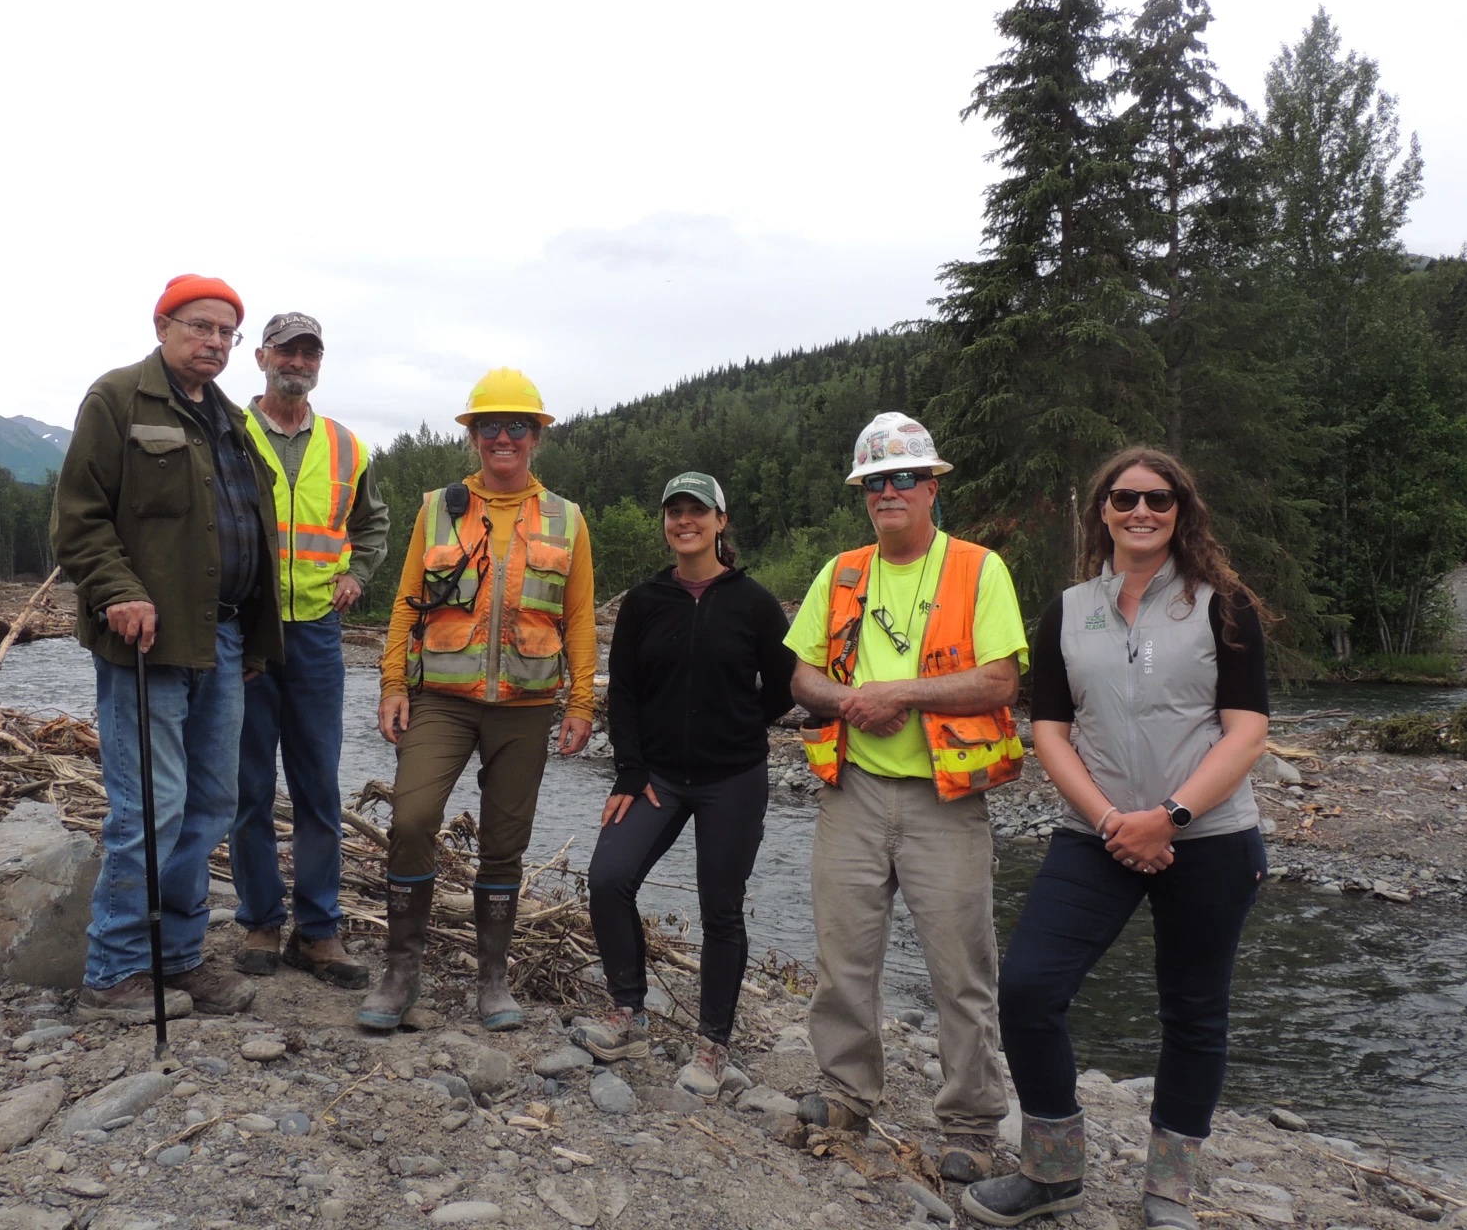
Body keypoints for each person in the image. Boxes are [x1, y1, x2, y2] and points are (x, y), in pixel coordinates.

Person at [960, 447, 1271, 1230]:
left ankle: (1168, 1192)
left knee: (1194, 1013)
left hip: (1209, 836)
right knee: (1028, 988)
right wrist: (1110, 820)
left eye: (1158, 499)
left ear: (1181, 511)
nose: (1141, 511)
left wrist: (1169, 817)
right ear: (1102, 510)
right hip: (1094, 832)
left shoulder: (1223, 606)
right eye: (1125, 498)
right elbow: (1049, 731)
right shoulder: (1068, 610)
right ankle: (1052, 1171)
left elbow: (1246, 732)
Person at [786, 411, 1028, 1183]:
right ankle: (845, 1094)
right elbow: (802, 676)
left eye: (903, 479)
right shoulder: (841, 572)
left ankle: (971, 1125)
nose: (888, 492)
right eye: (874, 482)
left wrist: (900, 694)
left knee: (961, 970)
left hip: (944, 802)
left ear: (930, 487)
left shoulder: (978, 570)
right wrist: (851, 701)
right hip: (852, 792)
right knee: (843, 959)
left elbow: (1000, 680)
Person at [52, 273, 283, 1022]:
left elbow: (246, 530)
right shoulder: (118, 398)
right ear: (162, 326)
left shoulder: (231, 421)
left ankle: (178, 957)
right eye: (199, 326)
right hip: (146, 641)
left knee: (211, 805)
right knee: (151, 808)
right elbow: (79, 519)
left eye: (226, 332)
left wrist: (256, 636)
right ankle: (114, 969)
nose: (214, 342)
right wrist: (118, 590)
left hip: (224, 637)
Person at [361, 367, 596, 1033]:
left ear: (536, 437)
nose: (503, 437)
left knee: (504, 842)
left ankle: (492, 979)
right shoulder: (438, 509)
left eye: (517, 426)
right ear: (473, 435)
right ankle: (400, 971)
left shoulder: (567, 519)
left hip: (526, 705)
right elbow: (406, 604)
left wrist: (581, 702)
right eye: (489, 425)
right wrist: (392, 685)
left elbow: (580, 618)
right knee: (412, 820)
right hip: (441, 698)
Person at [576, 472, 795, 1097]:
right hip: (659, 779)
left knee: (720, 908)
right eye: (674, 511)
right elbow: (623, 691)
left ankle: (712, 1044)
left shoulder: (754, 602)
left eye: (697, 510)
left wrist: (743, 725)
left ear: (720, 521)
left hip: (734, 778)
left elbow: (785, 683)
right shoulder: (645, 602)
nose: (684, 521)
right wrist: (630, 768)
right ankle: (629, 1013)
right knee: (609, 877)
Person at [231, 312, 390, 989]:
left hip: (319, 632)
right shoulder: (228, 432)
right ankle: (261, 922)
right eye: (286, 351)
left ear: (319, 363)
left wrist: (359, 575)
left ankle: (319, 932)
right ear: (262, 357)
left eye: (309, 353)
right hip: (245, 630)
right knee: (248, 785)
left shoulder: (346, 447)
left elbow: (373, 523)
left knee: (318, 785)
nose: (297, 362)